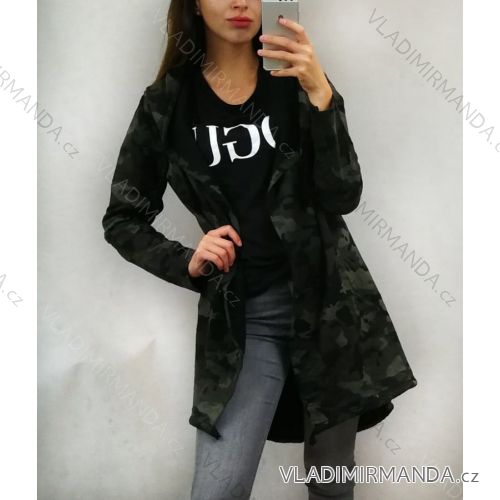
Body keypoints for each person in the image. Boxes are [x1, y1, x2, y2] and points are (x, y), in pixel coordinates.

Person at [102, 1, 418, 498]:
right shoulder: (167, 103)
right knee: (218, 489)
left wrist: (322, 96)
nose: (239, 1)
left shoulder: (296, 81)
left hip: (331, 309)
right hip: (246, 317)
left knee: (331, 483)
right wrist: (186, 260)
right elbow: (123, 218)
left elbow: (342, 195)